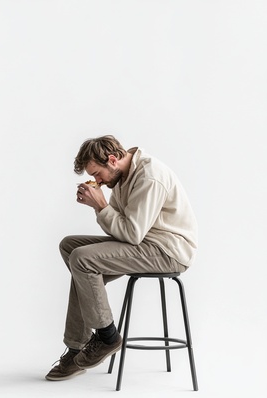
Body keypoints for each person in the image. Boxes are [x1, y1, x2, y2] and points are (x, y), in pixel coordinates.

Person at [45, 135, 198, 381]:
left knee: (82, 259)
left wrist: (101, 207)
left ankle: (107, 337)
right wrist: (99, 205)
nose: (97, 181)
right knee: (70, 246)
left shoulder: (150, 176)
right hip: (144, 245)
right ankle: (77, 347)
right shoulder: (121, 177)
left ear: (113, 160)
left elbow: (132, 234)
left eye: (97, 174)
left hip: (168, 251)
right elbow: (122, 230)